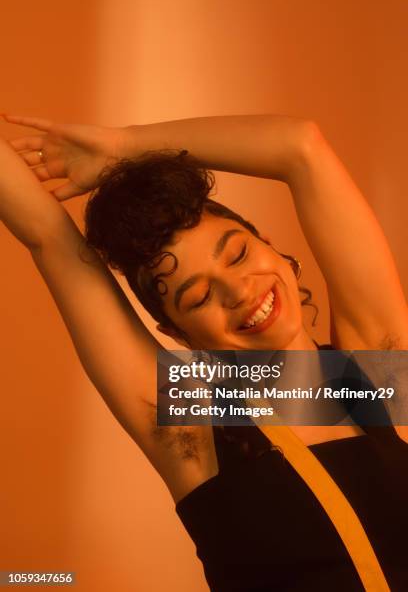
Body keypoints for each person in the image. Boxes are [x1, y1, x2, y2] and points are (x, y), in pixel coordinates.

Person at [1, 113, 407, 590]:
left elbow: (301, 148)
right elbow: (48, 237)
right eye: (197, 297)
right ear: (177, 333)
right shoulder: (192, 427)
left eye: (237, 254)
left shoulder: (378, 375)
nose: (238, 290)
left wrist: (124, 146)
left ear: (272, 246)